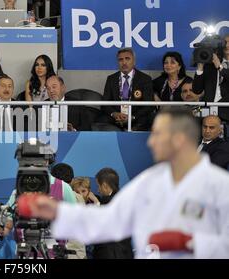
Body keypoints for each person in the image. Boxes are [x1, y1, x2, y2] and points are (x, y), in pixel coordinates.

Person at [19, 107, 229, 258]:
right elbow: (109, 219)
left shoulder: (220, 188)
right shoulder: (150, 182)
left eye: (158, 134)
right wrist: (58, 212)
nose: (151, 141)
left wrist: (193, 244)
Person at [102, 48, 155, 131]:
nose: (124, 62)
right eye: (120, 60)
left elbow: (149, 105)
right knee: (101, 120)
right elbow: (105, 103)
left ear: (134, 61)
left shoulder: (145, 79)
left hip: (136, 118)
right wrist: (115, 114)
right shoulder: (111, 79)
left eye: (127, 59)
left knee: (148, 119)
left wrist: (132, 117)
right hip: (116, 118)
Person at [91, 168, 133, 259]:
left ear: (105, 185)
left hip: (110, 254)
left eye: (99, 186)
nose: (98, 190)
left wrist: (96, 203)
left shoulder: (108, 202)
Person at [193, 34, 229, 123]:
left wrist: (220, 67)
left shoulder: (217, 65)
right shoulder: (210, 65)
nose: (227, 45)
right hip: (208, 111)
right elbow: (197, 90)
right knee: (190, 115)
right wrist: (200, 67)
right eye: (225, 42)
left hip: (226, 112)